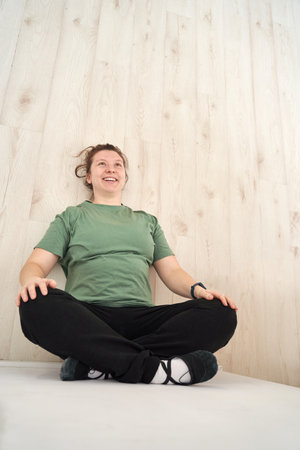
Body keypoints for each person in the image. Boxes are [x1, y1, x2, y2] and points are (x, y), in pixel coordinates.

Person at [16, 144, 237, 385]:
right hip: (88, 318)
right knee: (34, 303)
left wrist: (199, 290)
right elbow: (35, 264)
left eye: (117, 164)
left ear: (124, 176)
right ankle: (155, 369)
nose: (111, 169)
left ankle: (98, 364)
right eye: (102, 163)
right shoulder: (71, 217)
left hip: (144, 321)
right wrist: (32, 281)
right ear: (89, 176)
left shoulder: (147, 221)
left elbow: (172, 271)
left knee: (221, 312)